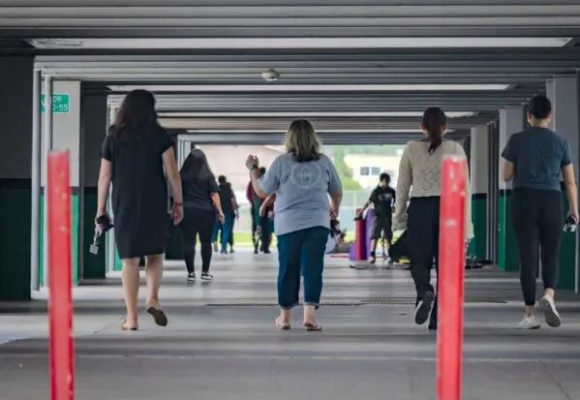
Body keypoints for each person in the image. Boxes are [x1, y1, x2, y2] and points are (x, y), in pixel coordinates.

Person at [97, 89, 183, 331]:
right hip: (154, 201)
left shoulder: (113, 137)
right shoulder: (159, 135)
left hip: (125, 202)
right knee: (155, 254)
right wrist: (178, 203)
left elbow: (105, 176)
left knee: (129, 260)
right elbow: (172, 172)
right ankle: (153, 297)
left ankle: (131, 318)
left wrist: (100, 209)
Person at [246, 119, 343, 331]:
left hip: (288, 225)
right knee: (313, 268)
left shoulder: (281, 162)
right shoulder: (324, 162)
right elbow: (336, 190)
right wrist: (334, 209)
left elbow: (262, 190)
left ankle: (285, 318)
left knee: (288, 268)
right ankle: (310, 316)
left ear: (289, 138)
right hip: (318, 223)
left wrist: (253, 170)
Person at [501, 95, 578, 329]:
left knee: (528, 257)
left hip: (524, 199)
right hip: (552, 200)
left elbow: (505, 176)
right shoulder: (561, 142)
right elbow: (571, 181)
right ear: (550, 116)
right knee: (551, 253)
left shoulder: (516, 140)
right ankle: (549, 295)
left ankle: (530, 314)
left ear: (529, 116)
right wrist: (574, 209)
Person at [393, 107, 473, 331]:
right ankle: (437, 319)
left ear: (422, 127)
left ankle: (424, 291)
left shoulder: (411, 149)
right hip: (449, 210)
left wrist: (399, 217)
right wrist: (466, 227)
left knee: (419, 261)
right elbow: (464, 188)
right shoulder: (456, 148)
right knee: (446, 268)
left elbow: (402, 186)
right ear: (445, 128)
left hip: (420, 209)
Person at [180, 149, 225, 282]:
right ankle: (205, 272)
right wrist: (220, 211)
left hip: (187, 211)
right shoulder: (208, 176)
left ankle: (191, 273)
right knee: (206, 242)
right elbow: (214, 194)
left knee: (189, 242)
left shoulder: (182, 175)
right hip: (206, 212)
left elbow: (176, 192)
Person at [357, 172, 396, 264]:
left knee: (388, 237)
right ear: (381, 181)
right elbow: (369, 202)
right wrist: (361, 212)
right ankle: (372, 255)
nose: (386, 183)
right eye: (384, 181)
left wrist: (395, 207)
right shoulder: (376, 191)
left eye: (387, 181)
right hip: (378, 216)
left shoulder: (391, 191)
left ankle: (390, 256)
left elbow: (397, 200)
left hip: (388, 216)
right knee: (375, 236)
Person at [212, 175, 236, 254]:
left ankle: (214, 241)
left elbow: (213, 201)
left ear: (218, 181)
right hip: (227, 212)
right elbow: (232, 200)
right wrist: (234, 208)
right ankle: (223, 248)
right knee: (226, 230)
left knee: (215, 229)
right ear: (225, 180)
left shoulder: (216, 189)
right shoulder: (228, 189)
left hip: (217, 212)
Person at [247, 167, 266, 253]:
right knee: (259, 227)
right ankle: (258, 245)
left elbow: (249, 195)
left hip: (260, 207)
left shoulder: (253, 182)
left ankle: (261, 245)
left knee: (259, 227)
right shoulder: (254, 183)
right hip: (258, 208)